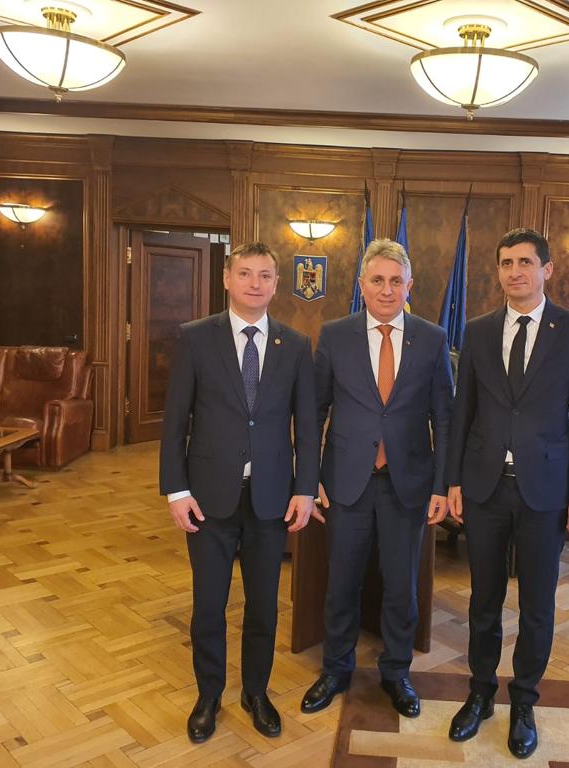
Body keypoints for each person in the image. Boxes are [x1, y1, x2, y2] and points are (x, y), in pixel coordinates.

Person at [445, 228, 569, 759]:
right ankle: (480, 693)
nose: (515, 271)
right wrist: (454, 481)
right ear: (498, 271)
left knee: (537, 604)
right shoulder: (477, 331)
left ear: (547, 270)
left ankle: (524, 702)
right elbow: (462, 413)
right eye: (506, 263)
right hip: (485, 488)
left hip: (547, 492)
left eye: (526, 262)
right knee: (483, 600)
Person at [159, 242, 318, 744]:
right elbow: (175, 421)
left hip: (271, 499)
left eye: (265, 275)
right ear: (227, 279)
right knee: (209, 605)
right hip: (207, 498)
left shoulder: (295, 345)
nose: (255, 283)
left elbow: (307, 425)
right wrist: (176, 490)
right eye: (245, 273)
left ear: (276, 284)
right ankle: (208, 695)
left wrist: (305, 489)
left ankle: (256, 692)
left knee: (264, 606)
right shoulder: (195, 338)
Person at [300, 238, 453, 718]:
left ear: (410, 286)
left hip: (407, 484)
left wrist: (440, 485)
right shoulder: (335, 335)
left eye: (395, 281)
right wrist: (309, 477)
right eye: (378, 280)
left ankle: (396, 671)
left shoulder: (432, 338)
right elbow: (315, 410)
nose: (387, 290)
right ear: (362, 285)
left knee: (402, 586)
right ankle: (336, 669)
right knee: (341, 582)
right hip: (345, 481)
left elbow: (444, 417)